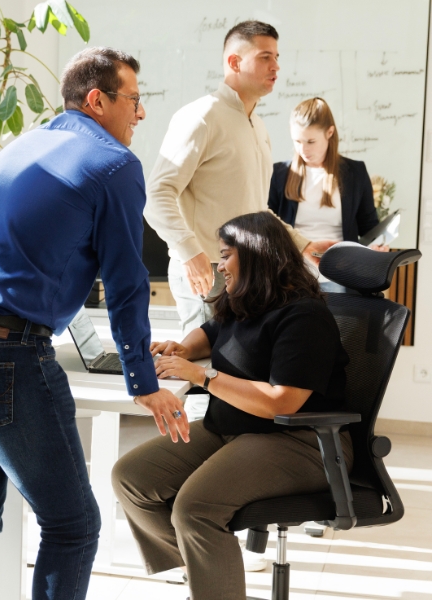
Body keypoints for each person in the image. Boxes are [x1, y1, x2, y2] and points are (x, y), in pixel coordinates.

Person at [0, 47, 190, 600]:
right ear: (98, 100)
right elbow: (126, 281)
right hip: (1, 352)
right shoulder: (114, 164)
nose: (140, 114)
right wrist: (145, 381)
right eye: (134, 100)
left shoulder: (24, 145)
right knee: (74, 525)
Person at [112, 212, 352, 600]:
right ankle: (210, 577)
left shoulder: (304, 316)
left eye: (225, 255)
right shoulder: (248, 300)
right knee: (131, 478)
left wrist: (202, 376)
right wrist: (184, 348)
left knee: (195, 509)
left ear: (256, 255)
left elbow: (283, 401)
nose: (219, 264)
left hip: (300, 441)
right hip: (233, 429)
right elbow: (212, 331)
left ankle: (214, 583)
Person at [144, 20, 336, 427]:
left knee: (229, 378)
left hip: (245, 277)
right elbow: (157, 194)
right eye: (265, 57)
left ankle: (225, 466)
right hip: (207, 273)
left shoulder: (258, 126)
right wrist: (190, 253)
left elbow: (256, 210)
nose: (276, 67)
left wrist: (301, 243)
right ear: (234, 61)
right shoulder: (200, 117)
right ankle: (191, 470)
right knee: (196, 381)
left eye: (277, 58)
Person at [269, 97, 389, 291]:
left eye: (311, 141)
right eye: (297, 141)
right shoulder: (280, 174)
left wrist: (378, 246)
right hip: (290, 278)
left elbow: (369, 227)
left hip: (341, 276)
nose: (303, 150)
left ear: (330, 133)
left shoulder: (355, 172)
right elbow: (267, 225)